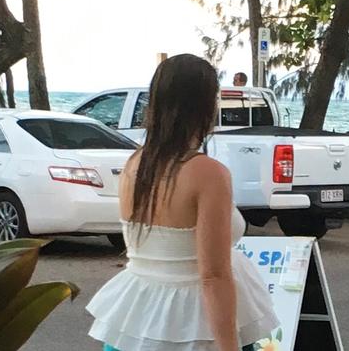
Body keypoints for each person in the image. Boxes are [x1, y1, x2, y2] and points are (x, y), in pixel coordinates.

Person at [87, 54, 279, 351]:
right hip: (196, 327)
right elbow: (213, 275)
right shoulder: (207, 173)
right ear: (206, 106)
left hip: (136, 320)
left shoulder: (134, 165)